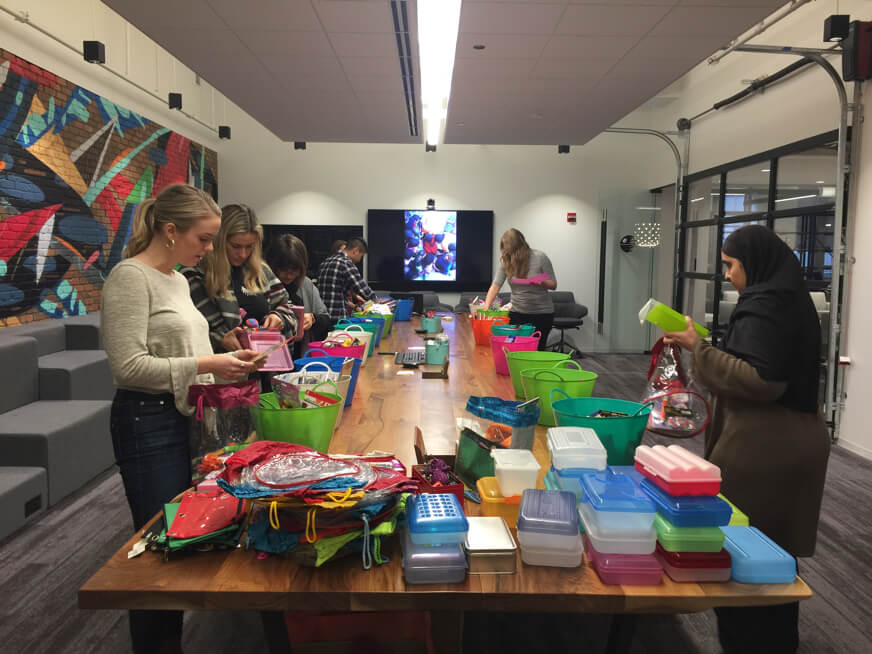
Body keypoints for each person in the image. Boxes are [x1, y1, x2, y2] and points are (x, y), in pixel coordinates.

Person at [101, 184, 264, 654]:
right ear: (170, 231)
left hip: (182, 417)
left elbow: (181, 351)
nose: (209, 249)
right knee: (157, 551)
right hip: (145, 422)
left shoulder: (175, 278)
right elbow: (129, 368)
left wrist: (222, 348)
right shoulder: (130, 278)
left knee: (184, 536)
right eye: (204, 238)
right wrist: (207, 364)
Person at [663, 225, 830, 654]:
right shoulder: (781, 301)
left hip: (769, 451)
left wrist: (698, 348)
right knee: (771, 562)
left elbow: (761, 380)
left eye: (731, 266)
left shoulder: (770, 306)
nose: (728, 276)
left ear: (754, 264)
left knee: (750, 558)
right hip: (781, 443)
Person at [182, 204, 298, 355]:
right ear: (219, 241)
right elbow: (187, 334)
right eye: (235, 246)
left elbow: (288, 309)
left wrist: (278, 317)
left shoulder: (261, 272)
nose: (243, 254)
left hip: (262, 368)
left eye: (249, 246)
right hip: (217, 370)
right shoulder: (196, 276)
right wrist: (219, 339)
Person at [484, 228, 557, 350]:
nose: (507, 252)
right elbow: (495, 286)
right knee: (516, 350)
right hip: (517, 314)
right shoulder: (507, 261)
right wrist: (486, 306)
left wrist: (540, 281)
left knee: (536, 352)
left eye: (509, 248)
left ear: (519, 246)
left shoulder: (540, 258)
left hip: (542, 315)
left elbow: (553, 284)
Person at [266, 233, 332, 354]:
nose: (289, 275)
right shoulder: (264, 285)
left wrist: (312, 318)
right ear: (273, 266)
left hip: (300, 356)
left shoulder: (305, 285)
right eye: (283, 270)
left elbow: (326, 320)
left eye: (294, 270)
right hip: (270, 354)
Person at [317, 236, 375, 321]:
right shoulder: (346, 263)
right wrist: (376, 300)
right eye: (361, 256)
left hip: (321, 316)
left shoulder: (325, 262)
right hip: (336, 317)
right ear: (355, 251)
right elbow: (362, 289)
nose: (360, 260)